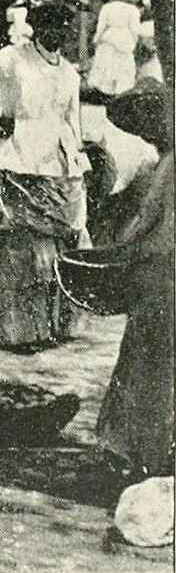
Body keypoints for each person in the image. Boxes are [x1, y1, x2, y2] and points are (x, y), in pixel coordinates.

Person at [0, 0, 87, 349]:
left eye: (64, 26)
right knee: (14, 241)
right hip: (18, 156)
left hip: (56, 163)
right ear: (36, 27)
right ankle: (12, 329)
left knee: (58, 241)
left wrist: (77, 155)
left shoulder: (69, 72)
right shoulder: (13, 58)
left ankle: (51, 325)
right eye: (50, 25)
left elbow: (72, 121)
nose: (57, 32)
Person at [94, 79, 173, 478]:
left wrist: (115, 247)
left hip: (160, 274)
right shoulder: (158, 163)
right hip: (160, 272)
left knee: (145, 361)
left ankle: (129, 446)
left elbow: (142, 225)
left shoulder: (167, 166)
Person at [89, 0, 141, 96]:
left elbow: (101, 27)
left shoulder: (106, 8)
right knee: (122, 70)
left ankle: (109, 96)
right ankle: (120, 95)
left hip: (109, 39)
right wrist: (134, 41)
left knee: (108, 69)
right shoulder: (133, 10)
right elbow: (134, 30)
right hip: (125, 40)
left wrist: (96, 40)